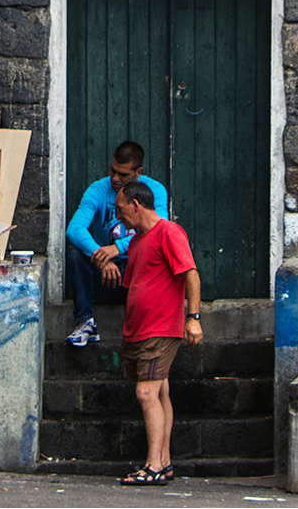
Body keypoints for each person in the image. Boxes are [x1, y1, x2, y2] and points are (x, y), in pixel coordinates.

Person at [113, 181, 203, 486]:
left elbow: (190, 273)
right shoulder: (137, 242)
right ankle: (163, 462)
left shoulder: (169, 232)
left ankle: (152, 465)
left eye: (120, 209)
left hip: (161, 328)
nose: (118, 216)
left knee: (146, 393)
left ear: (136, 205)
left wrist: (193, 318)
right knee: (160, 392)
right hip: (138, 330)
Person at [64, 141, 168, 347]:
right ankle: (85, 322)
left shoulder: (154, 191)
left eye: (123, 175)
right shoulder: (98, 189)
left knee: (159, 253)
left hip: (138, 274)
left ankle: (151, 326)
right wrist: (102, 257)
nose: (115, 178)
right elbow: (74, 229)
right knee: (75, 252)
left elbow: (159, 230)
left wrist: (117, 248)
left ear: (138, 172)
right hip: (106, 276)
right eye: (113, 171)